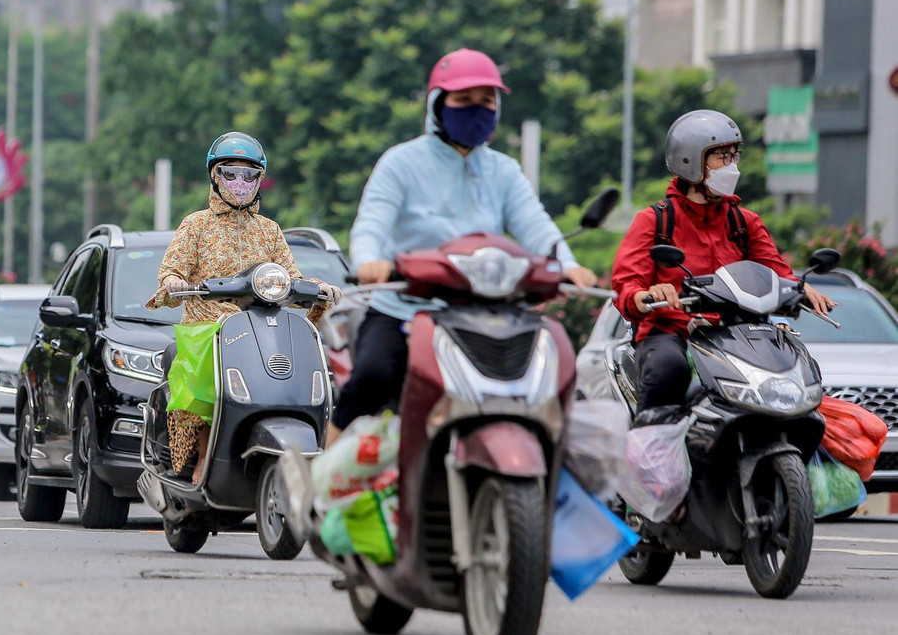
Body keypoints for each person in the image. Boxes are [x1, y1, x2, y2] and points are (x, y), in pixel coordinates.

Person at [332, 48, 597, 433]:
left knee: (548, 381)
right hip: (407, 306)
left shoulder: (503, 170)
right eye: (463, 100)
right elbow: (372, 221)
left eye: (486, 100)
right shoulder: (401, 162)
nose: (476, 109)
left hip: (488, 310)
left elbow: (536, 225)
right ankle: (320, 482)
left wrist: (568, 266)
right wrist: (369, 260)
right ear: (438, 105)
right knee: (373, 377)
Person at [147, 132, 340, 485]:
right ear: (214, 177)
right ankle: (204, 455)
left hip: (260, 331)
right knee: (206, 380)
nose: (240, 183)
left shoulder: (270, 230)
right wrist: (175, 282)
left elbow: (290, 277)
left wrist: (318, 289)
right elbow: (172, 271)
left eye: (249, 175)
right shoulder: (196, 224)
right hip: (209, 328)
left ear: (260, 180)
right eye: (230, 173)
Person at [611, 109, 834, 412]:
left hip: (739, 333)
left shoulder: (745, 222)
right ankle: (653, 452)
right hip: (673, 331)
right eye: (721, 157)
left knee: (802, 370)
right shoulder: (656, 220)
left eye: (734, 156)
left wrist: (800, 289)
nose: (732, 166)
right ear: (690, 161)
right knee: (667, 370)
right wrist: (644, 294)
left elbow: (777, 270)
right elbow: (627, 283)